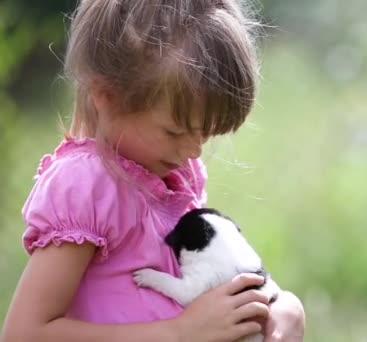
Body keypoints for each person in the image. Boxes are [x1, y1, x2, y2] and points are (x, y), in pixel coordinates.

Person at [1, 0, 305, 341]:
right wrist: (178, 333)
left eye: (205, 133)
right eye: (174, 132)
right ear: (108, 96)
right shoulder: (88, 186)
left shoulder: (176, 175)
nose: (194, 151)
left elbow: (218, 275)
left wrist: (283, 307)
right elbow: (25, 333)